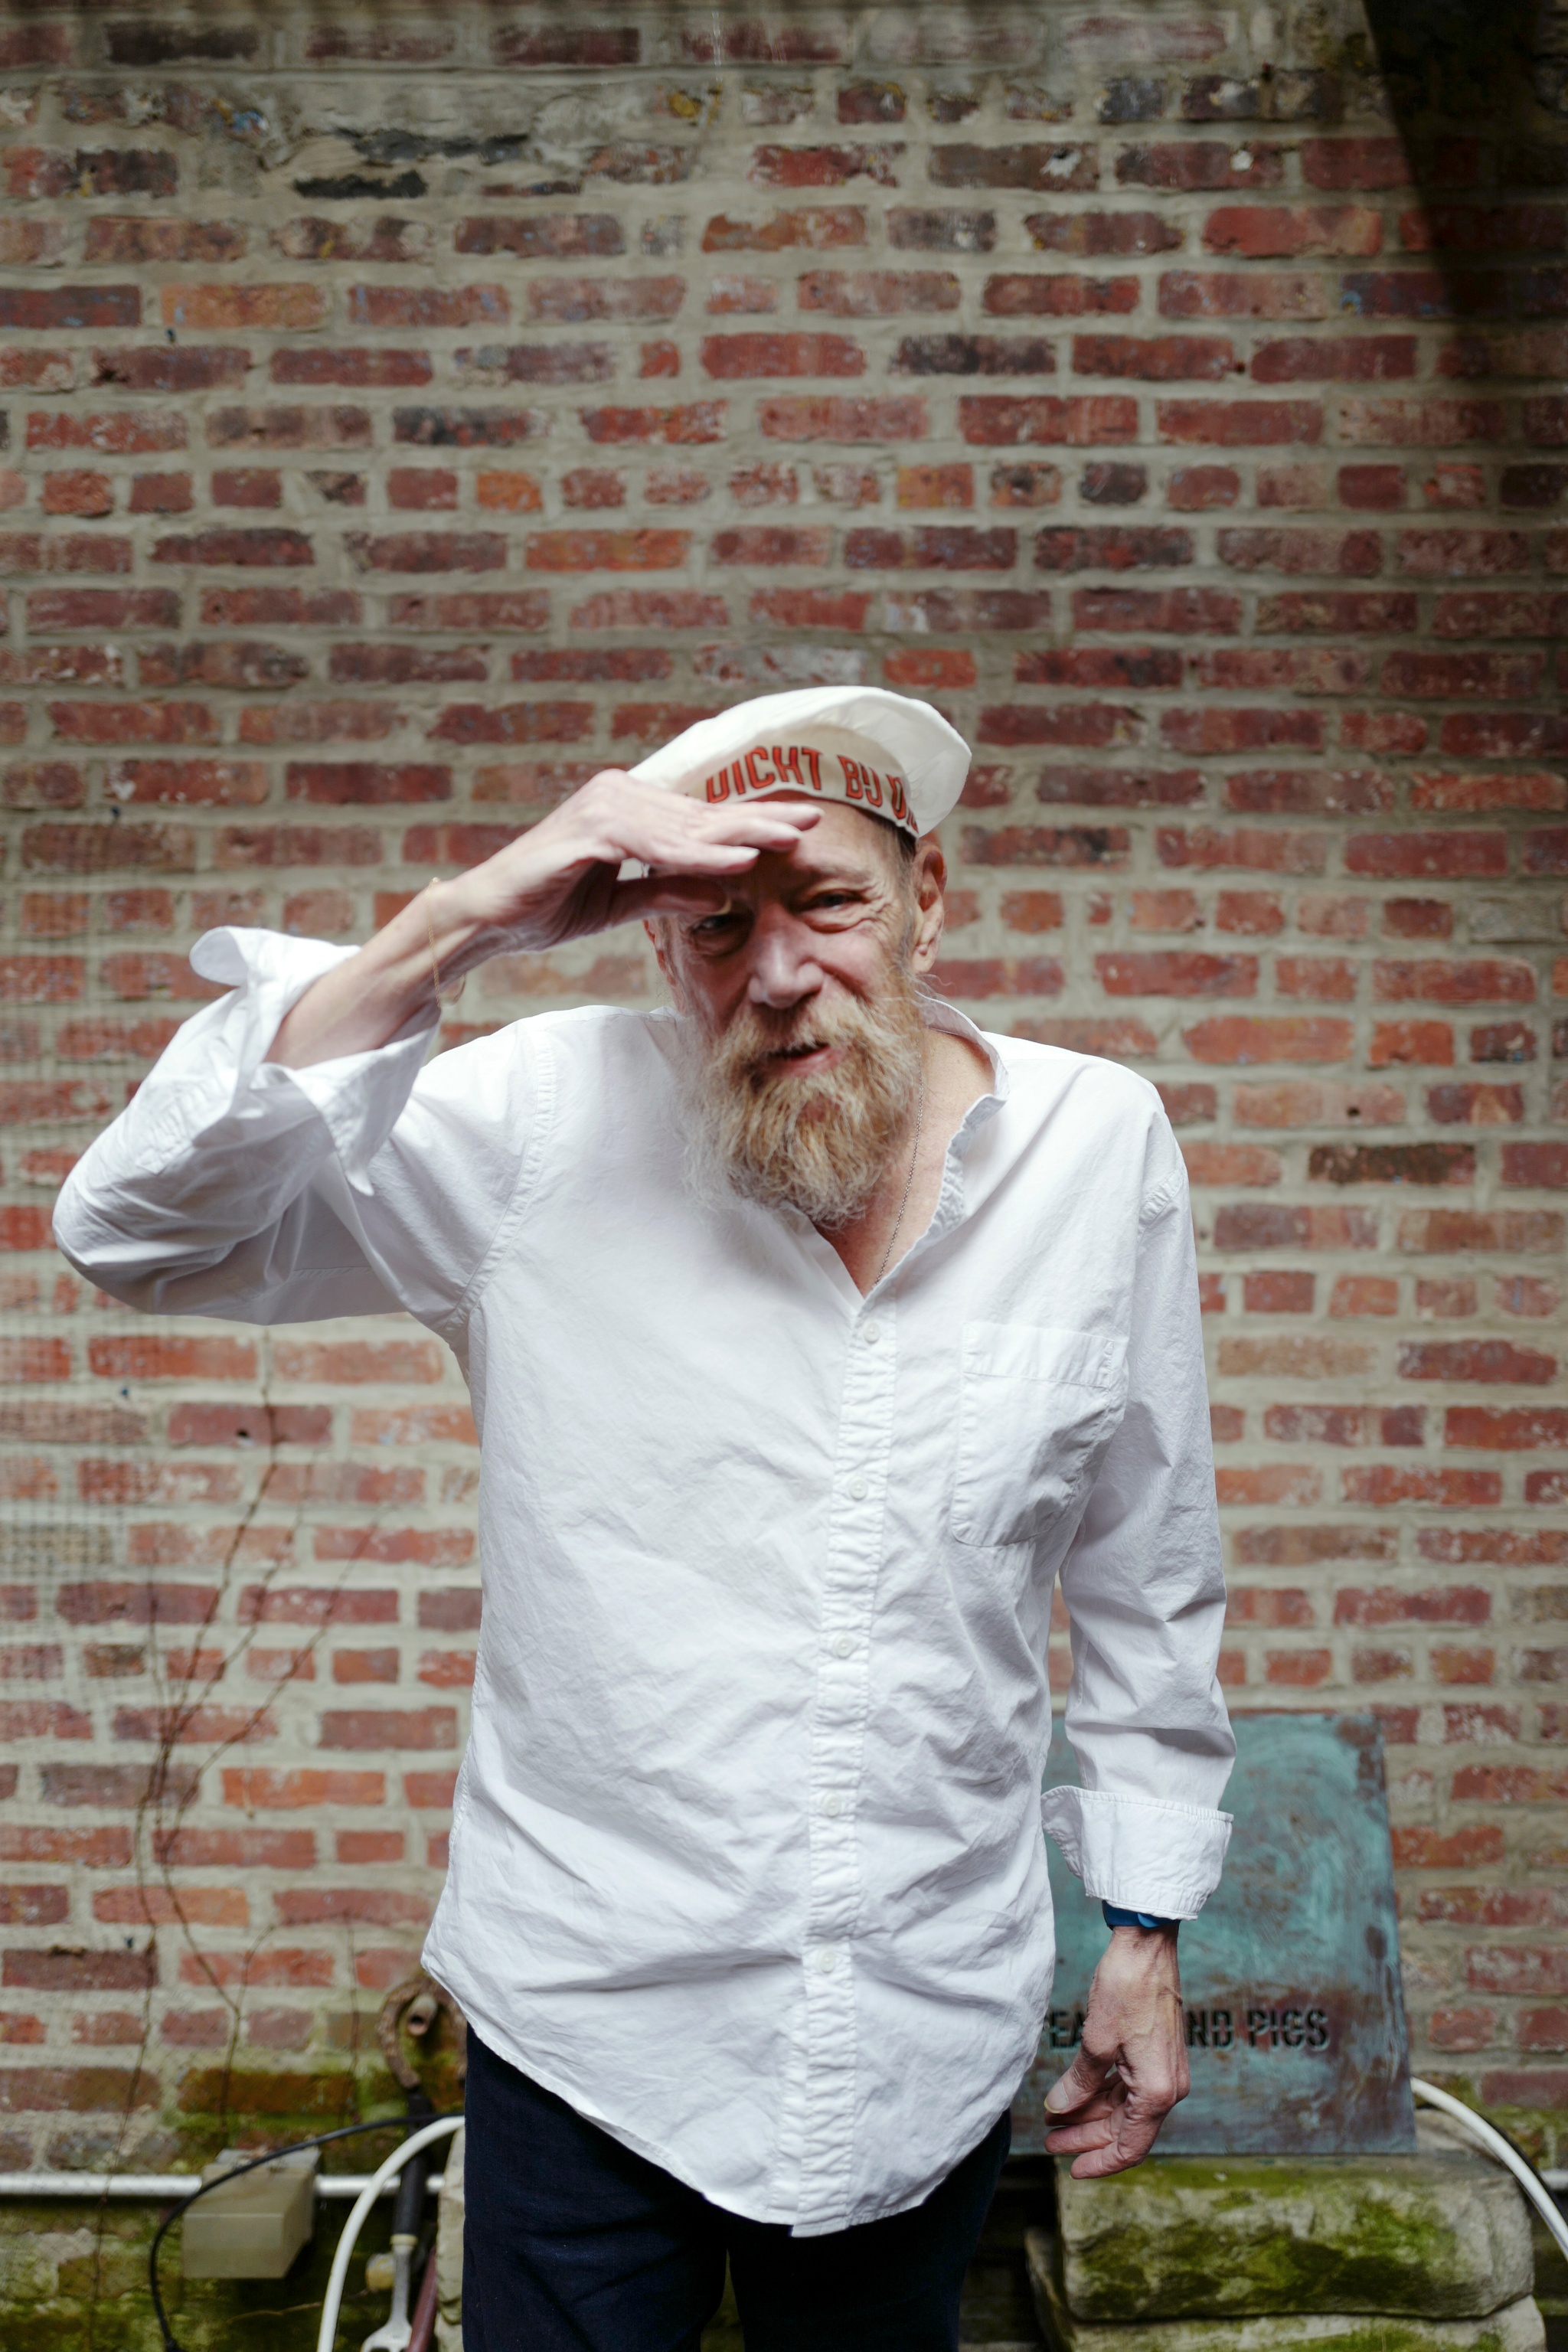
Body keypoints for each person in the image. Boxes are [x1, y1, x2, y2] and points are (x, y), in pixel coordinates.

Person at [56, 686, 1234, 2352]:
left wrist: (1143, 1932)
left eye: (828, 902)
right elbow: (136, 1227)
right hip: (596, 2033)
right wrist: (466, 921)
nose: (775, 970)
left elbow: (1145, 1572)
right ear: (652, 946)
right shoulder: (540, 1119)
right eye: (713, 927)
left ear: (928, 901)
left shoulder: (1094, 1145)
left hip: (926, 2025)